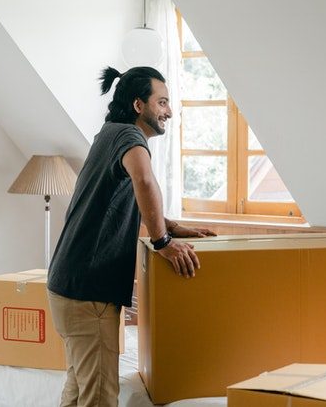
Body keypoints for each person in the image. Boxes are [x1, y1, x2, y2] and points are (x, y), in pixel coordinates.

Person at [47, 66, 216, 407]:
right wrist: (163, 243)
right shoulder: (130, 137)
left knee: (78, 390)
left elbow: (122, 198)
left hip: (69, 285)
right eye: (163, 102)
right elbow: (144, 181)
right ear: (140, 105)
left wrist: (167, 224)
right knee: (100, 397)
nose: (169, 111)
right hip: (88, 292)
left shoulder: (109, 133)